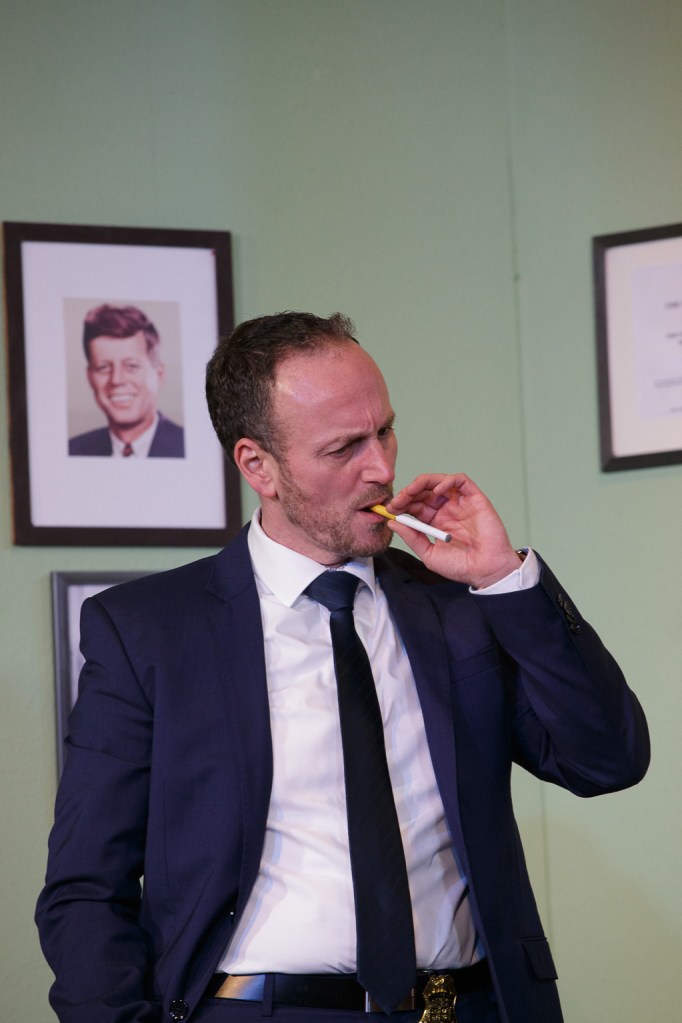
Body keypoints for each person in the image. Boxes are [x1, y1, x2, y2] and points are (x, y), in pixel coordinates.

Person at [37, 311, 650, 1023]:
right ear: (257, 465)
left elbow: (607, 760)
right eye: (344, 447)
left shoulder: (458, 605)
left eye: (384, 430)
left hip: (470, 1007)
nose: (382, 468)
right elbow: (87, 886)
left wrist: (505, 578)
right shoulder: (149, 630)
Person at [68, 303, 185, 458]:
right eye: (103, 367)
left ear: (159, 374)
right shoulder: (73, 450)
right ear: (89, 377)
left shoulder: (189, 447)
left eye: (131, 366)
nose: (116, 380)